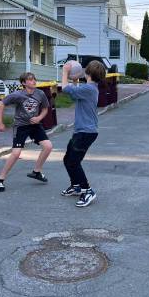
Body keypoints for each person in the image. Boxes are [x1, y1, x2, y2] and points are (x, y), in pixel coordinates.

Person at [0, 72, 53, 192]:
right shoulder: (18, 95)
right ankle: (0, 180)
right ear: (24, 83)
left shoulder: (40, 93)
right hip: (21, 126)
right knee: (16, 153)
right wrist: (0, 122)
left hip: (35, 125)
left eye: (34, 79)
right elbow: (2, 104)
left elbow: (45, 108)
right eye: (30, 80)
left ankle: (36, 172)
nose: (34, 81)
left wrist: (39, 118)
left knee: (48, 146)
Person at [60, 60, 106, 207]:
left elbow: (65, 89)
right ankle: (76, 186)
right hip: (82, 131)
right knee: (68, 159)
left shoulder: (90, 89)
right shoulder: (89, 88)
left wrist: (65, 71)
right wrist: (75, 81)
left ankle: (88, 190)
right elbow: (74, 95)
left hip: (86, 133)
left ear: (88, 73)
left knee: (74, 162)